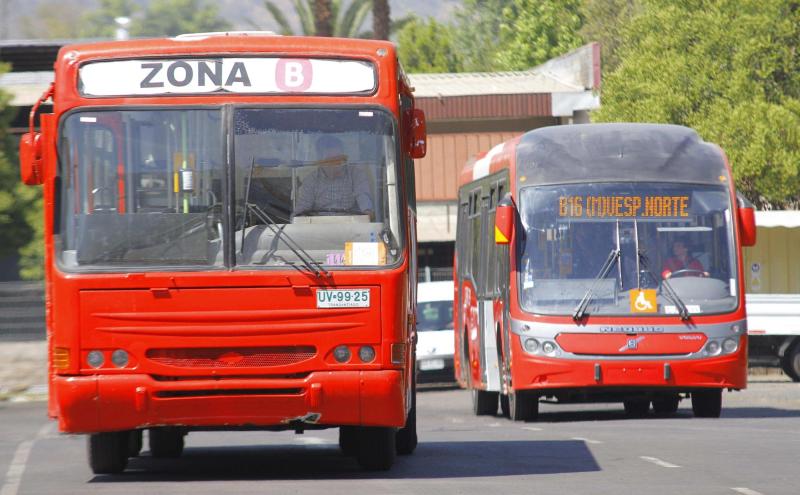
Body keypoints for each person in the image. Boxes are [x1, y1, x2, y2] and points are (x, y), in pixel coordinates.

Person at [294, 135, 374, 218]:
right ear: (321, 160)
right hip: (319, 226)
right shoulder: (311, 180)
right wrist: (301, 217)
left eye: (339, 159)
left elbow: (364, 199)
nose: (336, 164)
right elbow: (300, 212)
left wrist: (367, 211)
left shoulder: (356, 175)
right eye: (331, 160)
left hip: (351, 226)